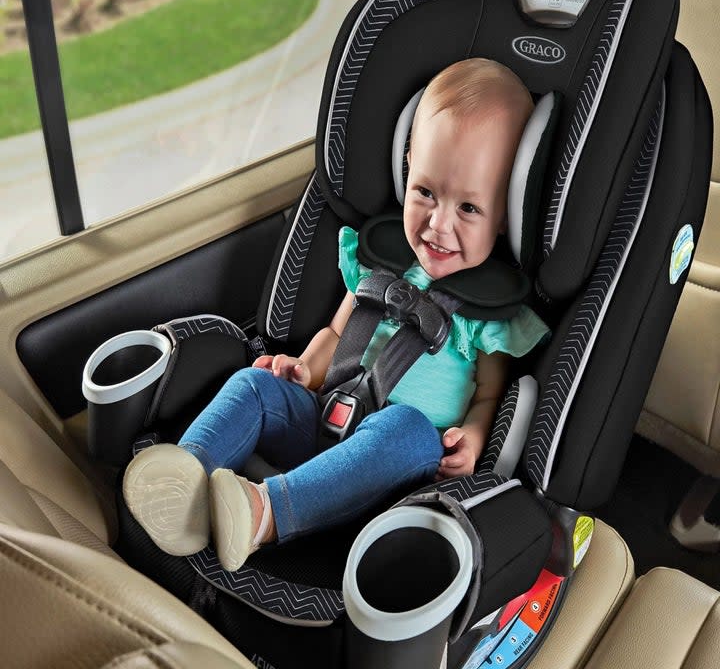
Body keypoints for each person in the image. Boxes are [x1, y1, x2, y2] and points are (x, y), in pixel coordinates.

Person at [123, 58, 549, 572]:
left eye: (469, 209)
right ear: (407, 166)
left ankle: (264, 514)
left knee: (407, 428)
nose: (438, 225)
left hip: (398, 466)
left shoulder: (489, 311)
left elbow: (487, 394)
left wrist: (474, 439)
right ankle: (186, 480)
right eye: (426, 193)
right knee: (253, 385)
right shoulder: (379, 260)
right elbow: (336, 332)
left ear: (506, 212)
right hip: (327, 417)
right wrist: (302, 370)